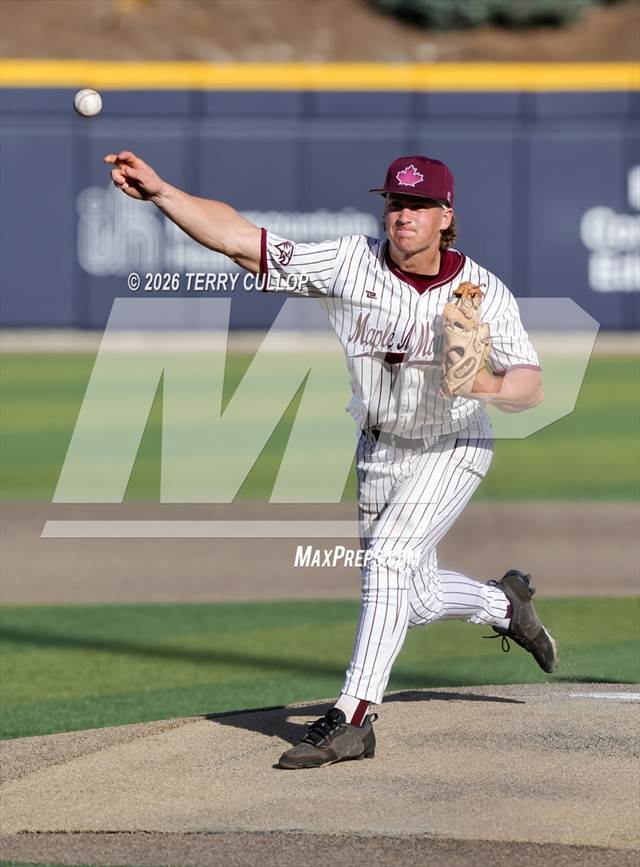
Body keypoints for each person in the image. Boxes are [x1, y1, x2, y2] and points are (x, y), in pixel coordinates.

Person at [105, 150, 557, 771]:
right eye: (396, 203)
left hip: (452, 447)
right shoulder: (350, 263)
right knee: (413, 596)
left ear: (446, 215)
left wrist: (487, 387)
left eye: (420, 206)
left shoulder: (479, 293)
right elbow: (240, 240)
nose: (404, 216)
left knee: (390, 562)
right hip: (377, 449)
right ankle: (507, 606)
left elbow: (531, 384)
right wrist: (161, 192)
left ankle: (352, 718)